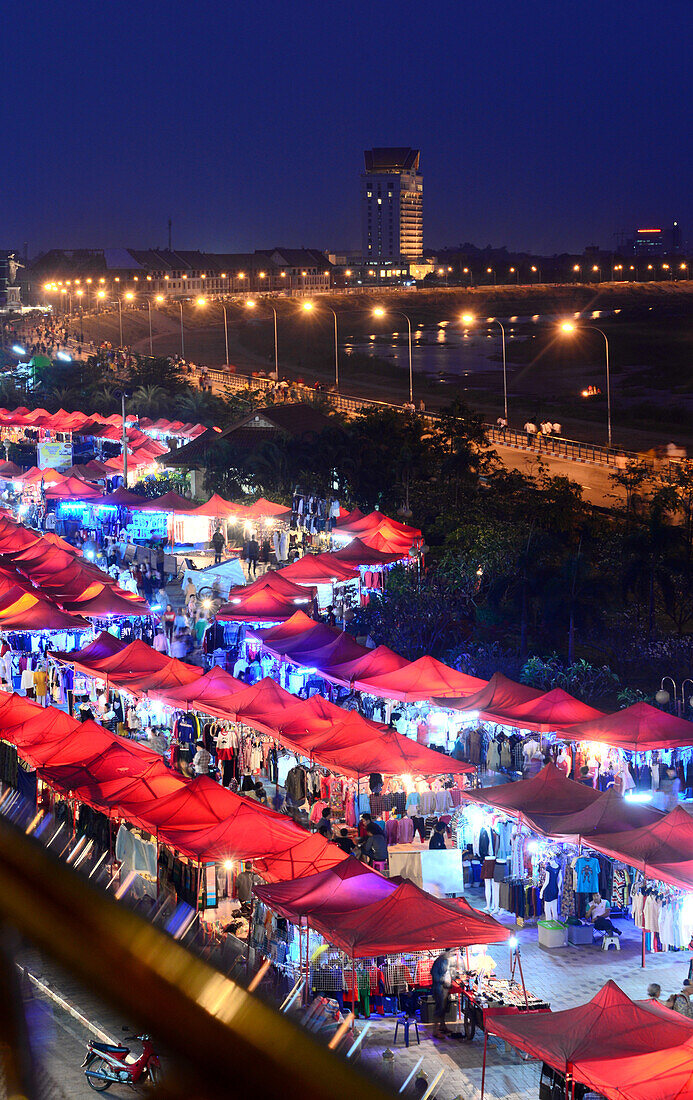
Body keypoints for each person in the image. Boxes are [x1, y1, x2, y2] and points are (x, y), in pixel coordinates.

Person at [431, 949, 454, 1038]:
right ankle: (435, 1032)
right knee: (439, 1008)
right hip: (439, 988)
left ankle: (442, 1026)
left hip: (444, 987)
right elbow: (435, 975)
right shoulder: (440, 961)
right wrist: (444, 981)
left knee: (443, 1008)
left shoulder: (445, 960)